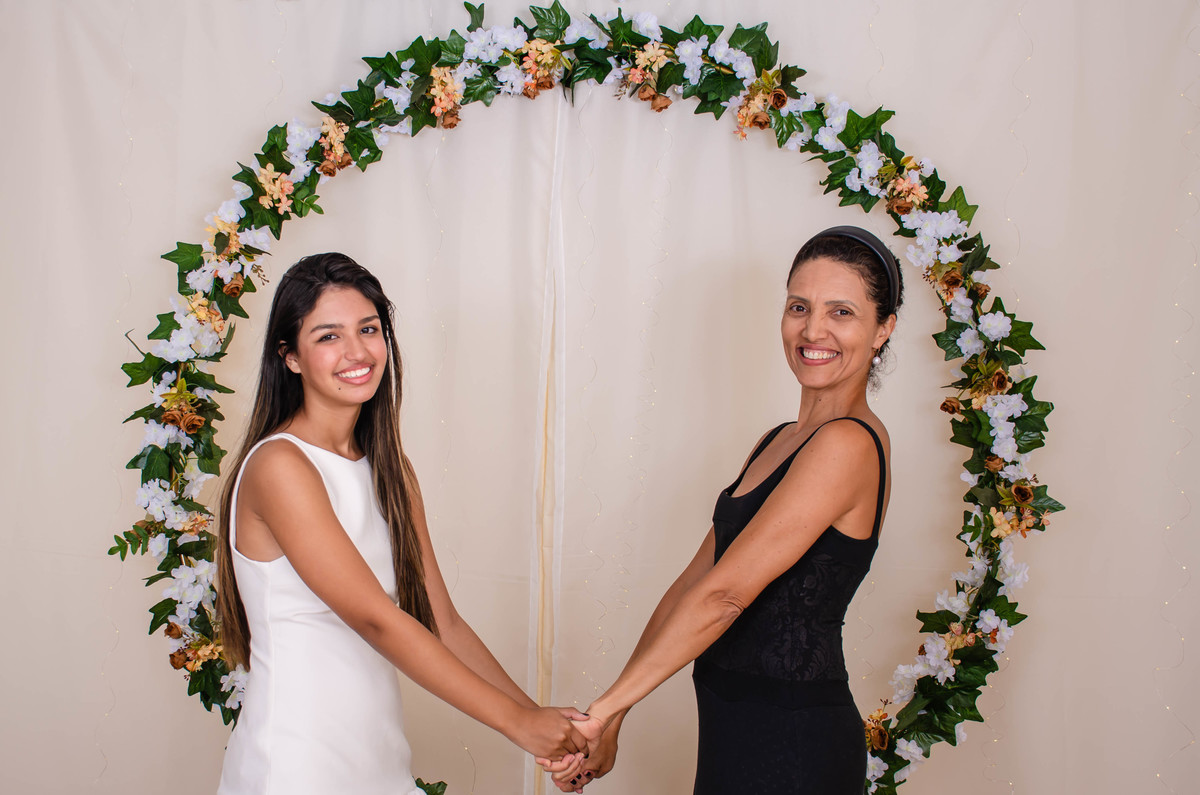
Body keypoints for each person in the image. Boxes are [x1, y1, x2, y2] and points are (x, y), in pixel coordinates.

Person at [214, 253, 588, 794]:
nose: (356, 352)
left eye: (368, 329)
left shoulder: (390, 470)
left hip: (378, 758)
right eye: (328, 336)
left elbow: (442, 624)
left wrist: (544, 729)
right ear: (289, 356)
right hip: (297, 763)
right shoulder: (279, 466)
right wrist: (518, 724)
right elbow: (376, 620)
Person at [557, 226, 903, 793]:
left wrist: (602, 710)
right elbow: (694, 584)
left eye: (841, 312)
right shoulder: (778, 440)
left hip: (795, 742)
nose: (813, 330)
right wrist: (616, 716)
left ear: (882, 329)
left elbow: (725, 598)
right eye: (799, 307)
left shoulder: (849, 443)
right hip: (729, 727)